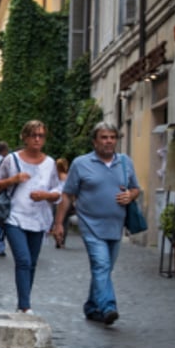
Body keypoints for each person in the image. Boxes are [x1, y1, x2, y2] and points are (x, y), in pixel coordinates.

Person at [50, 121, 141, 326]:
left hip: (116, 226)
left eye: (112, 137)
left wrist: (130, 195)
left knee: (105, 269)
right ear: (94, 141)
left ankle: (91, 306)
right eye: (104, 137)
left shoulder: (125, 162)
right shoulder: (81, 164)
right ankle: (108, 306)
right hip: (90, 225)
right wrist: (59, 224)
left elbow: (136, 188)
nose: (109, 141)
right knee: (101, 265)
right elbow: (67, 195)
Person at [0, 121, 61, 314]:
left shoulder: (50, 163)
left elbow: (57, 191)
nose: (37, 139)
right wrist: (13, 180)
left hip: (39, 219)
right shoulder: (11, 160)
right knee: (23, 260)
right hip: (14, 217)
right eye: (33, 135)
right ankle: (25, 306)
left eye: (41, 135)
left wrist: (45, 196)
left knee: (32, 263)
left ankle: (23, 301)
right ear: (25, 137)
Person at [53, 157, 71, 248]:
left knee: (56, 220)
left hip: (55, 200)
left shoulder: (55, 177)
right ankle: (62, 240)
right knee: (65, 221)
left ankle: (57, 237)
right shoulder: (67, 177)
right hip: (65, 201)